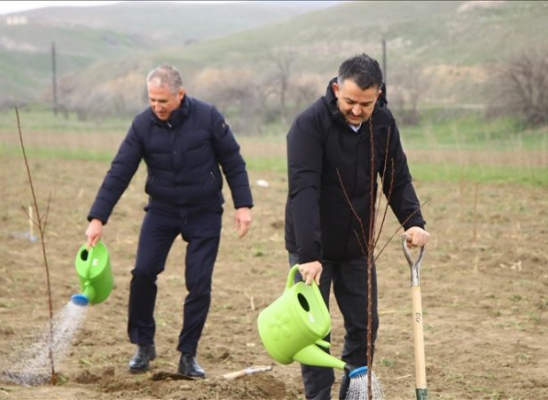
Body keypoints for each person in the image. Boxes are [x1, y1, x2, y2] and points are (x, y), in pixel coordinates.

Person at [85, 65, 253, 378]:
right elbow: (120, 171)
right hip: (162, 210)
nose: (157, 106)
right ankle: (143, 344)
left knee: (199, 283)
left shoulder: (208, 117)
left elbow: (233, 160)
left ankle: (188, 354)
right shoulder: (142, 125)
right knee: (143, 272)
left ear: (180, 95)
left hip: (204, 211)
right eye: (152, 100)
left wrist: (242, 205)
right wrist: (98, 217)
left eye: (163, 100)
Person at [284, 54, 431, 400]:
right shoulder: (309, 125)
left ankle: (353, 394)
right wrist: (308, 254)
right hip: (312, 247)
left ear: (378, 95)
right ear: (337, 89)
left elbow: (395, 177)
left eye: (365, 103)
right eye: (349, 101)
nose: (356, 110)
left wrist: (413, 222)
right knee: (315, 331)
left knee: (364, 328)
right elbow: (304, 191)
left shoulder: (383, 122)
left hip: (357, 244)